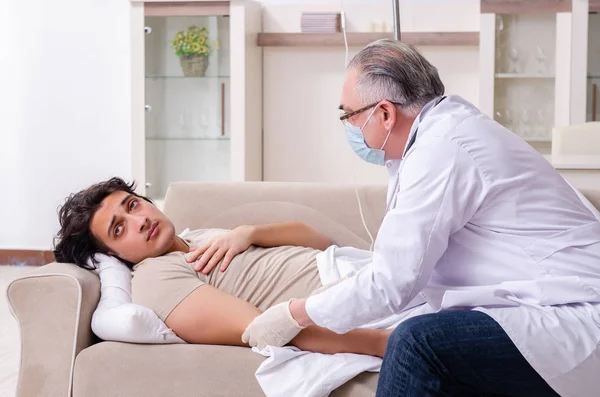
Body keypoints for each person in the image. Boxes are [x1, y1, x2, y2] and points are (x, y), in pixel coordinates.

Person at [239, 39, 600, 397]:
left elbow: (392, 281)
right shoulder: (437, 139)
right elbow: (406, 270)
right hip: (546, 301)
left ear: (384, 113)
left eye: (348, 115)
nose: (349, 126)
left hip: (574, 315)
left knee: (417, 343)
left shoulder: (442, 149)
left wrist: (295, 314)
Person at [53, 177, 391, 357]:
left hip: (364, 270)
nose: (139, 221)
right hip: (353, 303)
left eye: (133, 205)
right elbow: (263, 329)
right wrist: (380, 344)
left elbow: (317, 241)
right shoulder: (156, 278)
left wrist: (249, 233)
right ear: (113, 254)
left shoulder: (195, 237)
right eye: (119, 228)